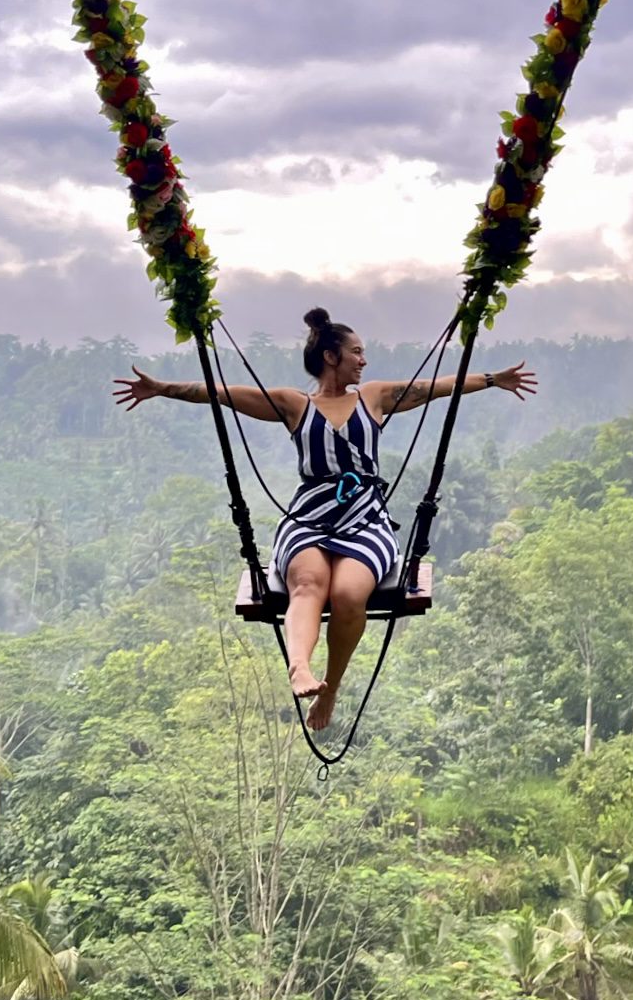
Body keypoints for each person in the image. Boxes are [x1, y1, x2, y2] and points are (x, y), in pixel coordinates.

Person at [114, 308, 536, 730]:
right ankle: (299, 666)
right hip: (309, 516)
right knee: (308, 585)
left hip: (365, 517)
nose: (363, 360)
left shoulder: (373, 397)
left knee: (350, 595)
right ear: (331, 356)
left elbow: (437, 388)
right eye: (356, 352)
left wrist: (494, 379)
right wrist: (161, 388)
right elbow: (221, 392)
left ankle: (329, 688)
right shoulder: (294, 405)